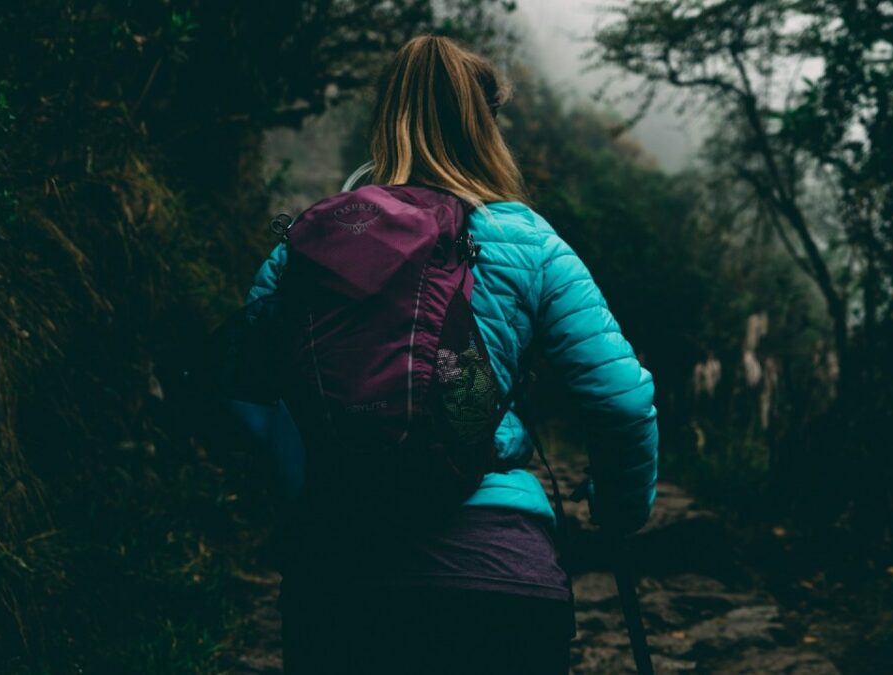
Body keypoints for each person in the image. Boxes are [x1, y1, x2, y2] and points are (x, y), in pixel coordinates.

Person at [243, 35, 658, 674]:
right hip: (498, 579)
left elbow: (244, 395)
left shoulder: (310, 243)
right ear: (483, 124)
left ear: (387, 118)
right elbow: (623, 401)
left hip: (340, 578)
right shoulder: (530, 242)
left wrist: (298, 494)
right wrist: (617, 510)